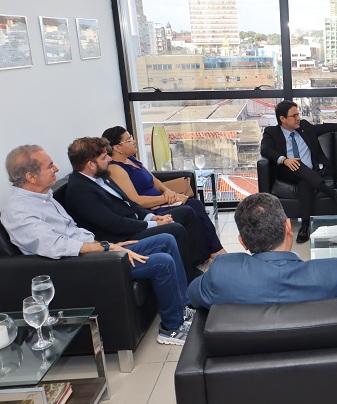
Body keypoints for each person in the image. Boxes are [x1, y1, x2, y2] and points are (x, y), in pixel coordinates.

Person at [1, 145, 193, 345]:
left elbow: (75, 233)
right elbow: (57, 245)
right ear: (31, 177)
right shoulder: (19, 211)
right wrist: (108, 248)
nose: (56, 169)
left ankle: (182, 307)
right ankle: (171, 328)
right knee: (161, 262)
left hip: (92, 252)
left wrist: (107, 244)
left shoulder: (43, 197)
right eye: (50, 166)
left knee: (166, 240)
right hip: (80, 265)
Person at [63, 137, 203, 283]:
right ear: (91, 165)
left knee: (186, 212)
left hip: (133, 223)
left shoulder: (100, 177)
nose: (110, 159)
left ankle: (193, 266)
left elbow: (130, 204)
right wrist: (155, 225)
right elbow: (115, 224)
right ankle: (189, 279)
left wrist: (152, 217)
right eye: (104, 157)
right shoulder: (80, 191)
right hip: (121, 236)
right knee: (175, 229)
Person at [187, 193, 337, 309]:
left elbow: (192, 296)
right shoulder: (332, 273)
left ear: (242, 242)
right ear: (288, 227)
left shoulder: (221, 273)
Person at [103, 126, 226, 262]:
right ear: (117, 148)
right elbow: (136, 201)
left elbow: (154, 180)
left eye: (131, 137)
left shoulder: (131, 159)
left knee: (195, 204)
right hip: (151, 210)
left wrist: (168, 192)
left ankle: (213, 250)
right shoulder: (115, 169)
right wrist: (165, 199)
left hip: (163, 201)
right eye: (128, 140)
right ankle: (212, 251)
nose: (134, 141)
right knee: (192, 207)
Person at [260, 100, 337, 243]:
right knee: (298, 164)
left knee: (305, 181)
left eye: (298, 114)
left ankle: (305, 225)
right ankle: (330, 191)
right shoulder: (271, 132)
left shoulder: (304, 127)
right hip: (286, 171)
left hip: (310, 173)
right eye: (294, 116)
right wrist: (284, 160)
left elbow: (326, 127)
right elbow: (265, 149)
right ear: (282, 119)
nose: (298, 118)